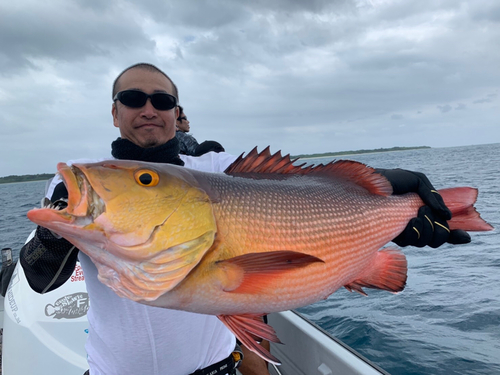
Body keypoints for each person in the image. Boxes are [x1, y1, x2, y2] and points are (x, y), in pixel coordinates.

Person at [18, 63, 470, 375]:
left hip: (216, 369)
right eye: (133, 99)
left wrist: (397, 189)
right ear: (115, 112)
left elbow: (302, 183)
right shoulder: (83, 180)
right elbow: (40, 279)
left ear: (177, 113)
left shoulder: (215, 170)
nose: (148, 108)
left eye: (162, 99)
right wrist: (59, 227)